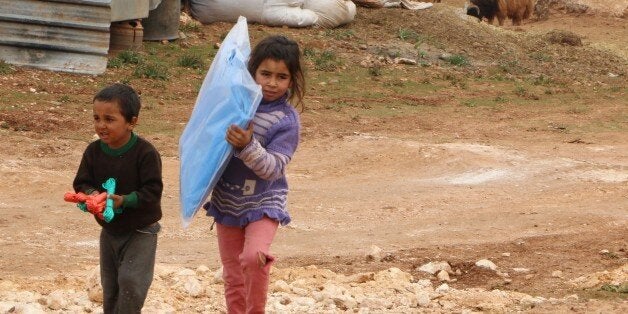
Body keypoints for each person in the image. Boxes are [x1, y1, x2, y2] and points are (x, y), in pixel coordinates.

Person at [203, 35, 305, 314]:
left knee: (253, 258)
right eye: (265, 74)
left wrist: (247, 145)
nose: (272, 83)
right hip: (227, 201)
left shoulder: (286, 120)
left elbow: (273, 168)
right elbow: (207, 144)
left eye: (281, 76)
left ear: (292, 80)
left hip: (264, 201)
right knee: (233, 273)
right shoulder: (234, 106)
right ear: (252, 73)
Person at [72, 83, 163, 314]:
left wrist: (124, 200)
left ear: (132, 122)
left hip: (141, 231)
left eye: (109, 119)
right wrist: (92, 195)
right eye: (96, 118)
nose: (101, 125)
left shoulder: (145, 153)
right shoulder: (93, 152)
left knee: (132, 283)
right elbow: (81, 182)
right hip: (110, 231)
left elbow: (153, 191)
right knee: (110, 288)